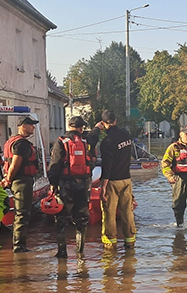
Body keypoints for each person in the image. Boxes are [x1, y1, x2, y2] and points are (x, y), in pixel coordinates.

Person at [47, 116, 96, 258]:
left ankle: (62, 252)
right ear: (81, 128)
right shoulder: (87, 141)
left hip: (66, 184)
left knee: (62, 218)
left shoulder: (61, 141)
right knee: (82, 219)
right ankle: (80, 252)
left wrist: (53, 184)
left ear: (69, 126)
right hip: (84, 183)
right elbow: (92, 160)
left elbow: (55, 164)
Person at [96, 110, 136, 250]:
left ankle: (110, 245)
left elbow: (107, 166)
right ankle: (130, 242)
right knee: (127, 212)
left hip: (112, 181)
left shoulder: (107, 142)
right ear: (115, 120)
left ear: (103, 124)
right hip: (127, 179)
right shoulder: (126, 135)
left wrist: (103, 187)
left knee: (109, 214)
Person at [0, 116, 39, 253]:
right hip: (21, 181)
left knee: (21, 213)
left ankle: (19, 244)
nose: (33, 127)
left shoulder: (14, 141)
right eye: (31, 125)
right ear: (23, 126)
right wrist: (8, 179)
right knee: (22, 214)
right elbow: (15, 164)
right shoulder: (21, 144)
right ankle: (19, 246)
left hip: (18, 181)